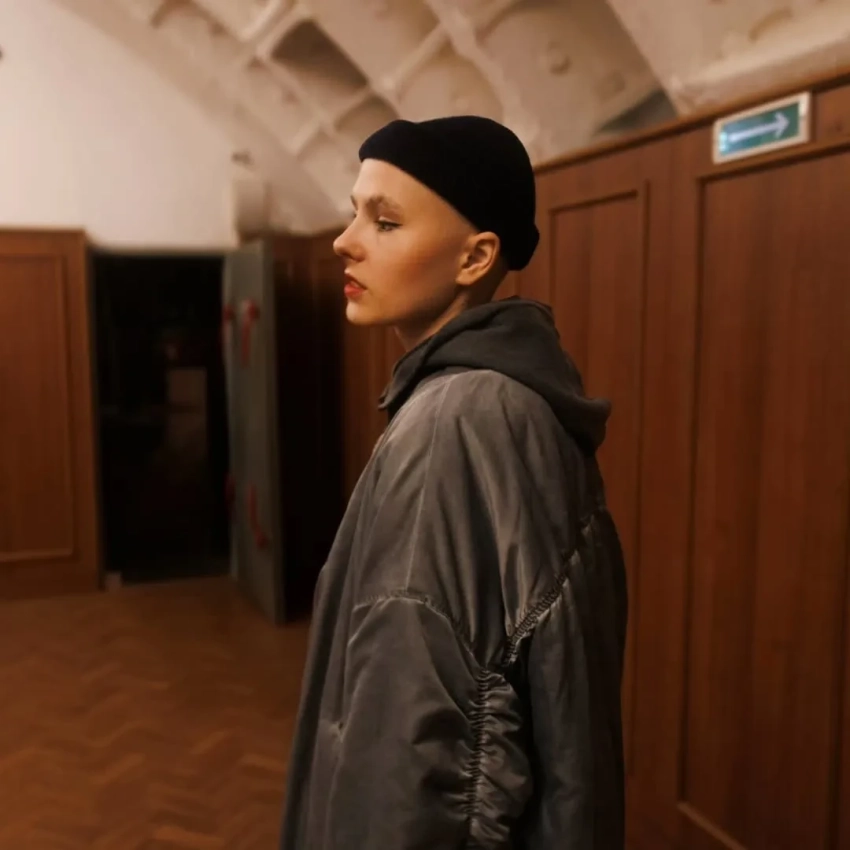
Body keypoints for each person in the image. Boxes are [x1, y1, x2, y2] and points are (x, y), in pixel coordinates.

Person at [279, 115, 628, 850]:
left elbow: (414, 753)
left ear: (475, 257)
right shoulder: (513, 396)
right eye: (354, 212)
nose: (344, 240)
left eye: (385, 221)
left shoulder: (454, 421)